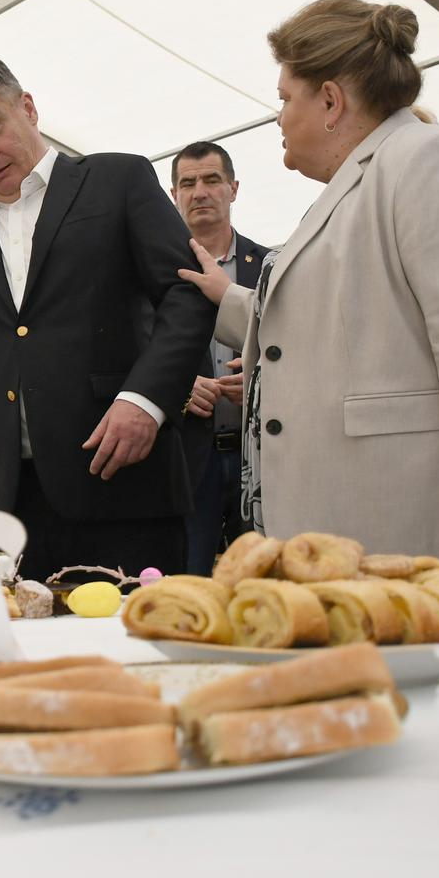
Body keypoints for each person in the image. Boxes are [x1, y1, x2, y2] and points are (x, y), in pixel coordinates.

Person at [177, 0, 439, 573]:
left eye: (284, 99)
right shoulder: (358, 186)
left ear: (330, 100)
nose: (277, 117)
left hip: (433, 553)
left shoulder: (437, 162)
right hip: (371, 552)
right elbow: (335, 323)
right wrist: (226, 295)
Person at [0, 56, 211, 581]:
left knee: (137, 653)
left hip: (120, 478)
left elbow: (186, 294)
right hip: (10, 503)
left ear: (27, 108)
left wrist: (146, 401)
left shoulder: (117, 180)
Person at [168, 142, 271, 575]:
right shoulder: (154, 271)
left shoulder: (271, 266)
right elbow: (128, 355)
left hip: (259, 457)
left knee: (264, 582)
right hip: (190, 458)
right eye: (187, 183)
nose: (200, 192)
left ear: (233, 188)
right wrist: (176, 388)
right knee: (189, 581)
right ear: (174, 195)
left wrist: (267, 383)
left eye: (212, 180)